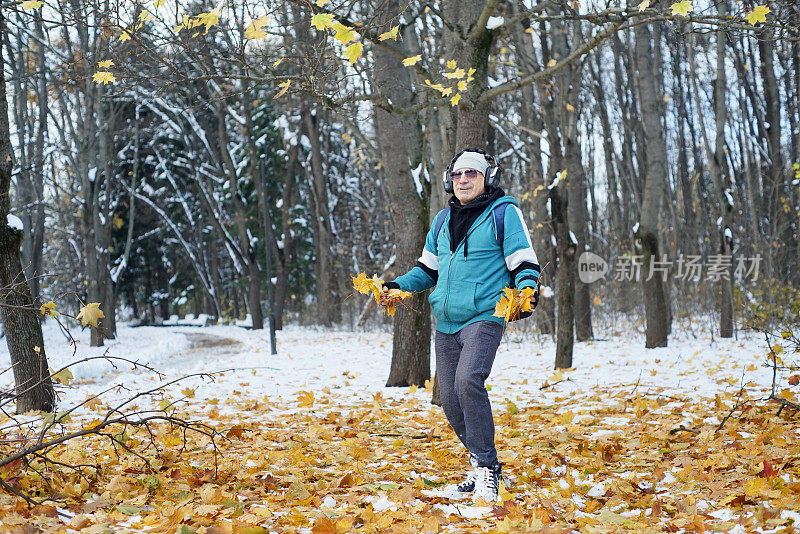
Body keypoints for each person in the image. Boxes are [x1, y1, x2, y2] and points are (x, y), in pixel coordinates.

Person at [382, 147, 541, 502]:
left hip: (485, 315)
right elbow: (427, 270)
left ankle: (487, 473)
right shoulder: (441, 220)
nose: (463, 180)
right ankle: (485, 466)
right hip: (446, 322)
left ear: (488, 178)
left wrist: (527, 291)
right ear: (448, 181)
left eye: (471, 174)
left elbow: (523, 261)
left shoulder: (504, 213)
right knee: (451, 399)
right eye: (457, 175)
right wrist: (397, 287)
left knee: (469, 381)